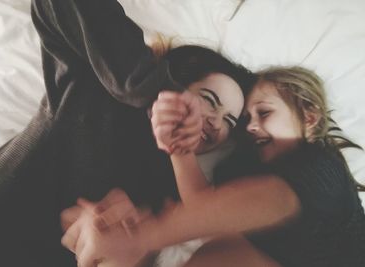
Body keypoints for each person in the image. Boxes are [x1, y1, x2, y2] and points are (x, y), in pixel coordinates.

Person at [0, 0, 254, 266]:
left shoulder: (175, 194)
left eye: (229, 120)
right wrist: (155, 90)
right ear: (179, 81)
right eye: (210, 100)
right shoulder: (95, 92)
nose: (216, 123)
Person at [62, 66, 365, 267]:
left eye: (265, 112)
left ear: (309, 118)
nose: (251, 127)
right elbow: (206, 209)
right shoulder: (246, 174)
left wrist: (144, 235)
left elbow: (270, 201)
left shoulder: (326, 169)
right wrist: (179, 149)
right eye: (245, 120)